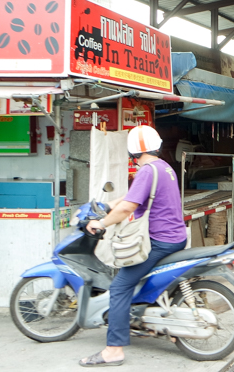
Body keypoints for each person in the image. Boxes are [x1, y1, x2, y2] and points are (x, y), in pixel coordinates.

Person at [79, 126, 187, 367]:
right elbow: (130, 198)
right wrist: (107, 205)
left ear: (132, 151)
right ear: (155, 146)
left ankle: (113, 350)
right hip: (175, 236)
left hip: (160, 241)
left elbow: (128, 208)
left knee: (119, 287)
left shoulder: (147, 171)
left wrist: (101, 223)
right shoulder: (163, 167)